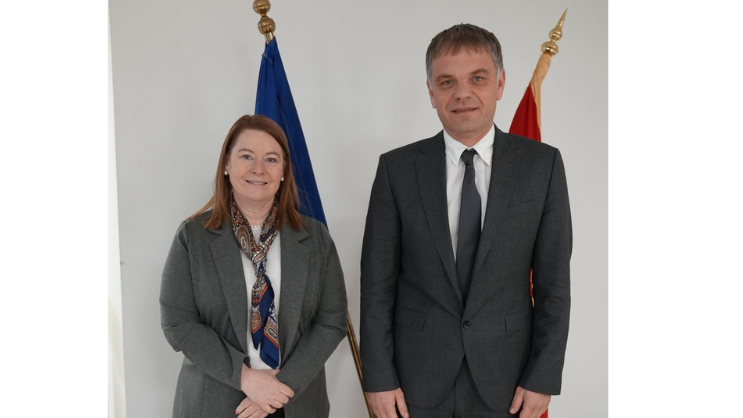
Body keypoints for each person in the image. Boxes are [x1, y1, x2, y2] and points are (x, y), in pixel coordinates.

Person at [360, 24, 572, 418]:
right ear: (431, 92)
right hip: (413, 380)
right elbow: (376, 286)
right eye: (447, 82)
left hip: (509, 381)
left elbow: (554, 286)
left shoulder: (542, 166)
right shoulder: (397, 169)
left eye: (478, 78)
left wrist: (543, 377)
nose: (462, 93)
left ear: (500, 84)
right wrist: (378, 377)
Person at [160, 114, 348, 418]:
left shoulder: (315, 239)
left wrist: (280, 386)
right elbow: (177, 322)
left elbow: (331, 321)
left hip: (296, 403)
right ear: (226, 164)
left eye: (271, 159)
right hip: (216, 404)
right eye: (246, 156)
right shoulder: (193, 237)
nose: (258, 168)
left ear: (283, 171)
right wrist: (246, 379)